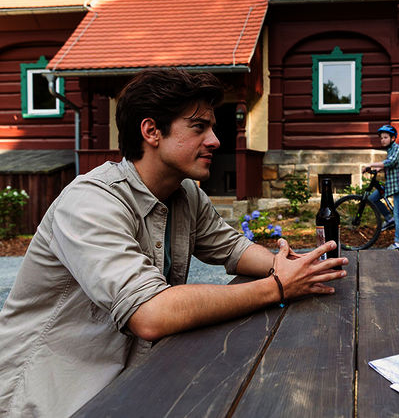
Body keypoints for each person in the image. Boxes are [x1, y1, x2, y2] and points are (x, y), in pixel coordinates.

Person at [0, 69, 348, 417]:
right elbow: (151, 314)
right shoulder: (90, 203)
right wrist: (278, 287)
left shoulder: (184, 194)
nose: (215, 140)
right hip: (51, 400)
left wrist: (284, 264)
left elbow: (233, 248)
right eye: (199, 127)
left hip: (130, 385)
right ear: (151, 131)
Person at [363, 124, 399, 249]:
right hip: (393, 184)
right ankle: (389, 219)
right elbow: (388, 165)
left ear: (393, 138)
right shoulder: (390, 150)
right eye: (381, 138)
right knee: (372, 199)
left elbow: (390, 162)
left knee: (398, 213)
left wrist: (371, 164)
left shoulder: (397, 148)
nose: (382, 140)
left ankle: (398, 242)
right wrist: (375, 169)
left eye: (385, 137)